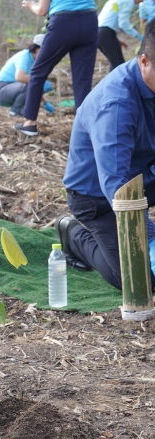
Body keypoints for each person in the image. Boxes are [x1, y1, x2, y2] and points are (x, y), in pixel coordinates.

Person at [55, 21, 155, 290]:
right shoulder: (117, 105)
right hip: (97, 197)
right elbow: (117, 187)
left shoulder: (151, 83)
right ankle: (73, 234)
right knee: (137, 278)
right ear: (144, 61)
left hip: (141, 177)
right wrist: (146, 238)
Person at [14, 0, 98, 136]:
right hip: (89, 19)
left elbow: (42, 10)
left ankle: (30, 123)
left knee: (37, 73)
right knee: (82, 80)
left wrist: (31, 5)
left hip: (63, 21)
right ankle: (83, 130)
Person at [0, 35, 55, 117]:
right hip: (1, 91)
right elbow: (20, 77)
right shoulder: (24, 56)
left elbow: (33, 84)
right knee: (34, 83)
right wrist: (41, 81)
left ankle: (21, 110)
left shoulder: (35, 61)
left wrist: (45, 102)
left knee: (36, 84)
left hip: (12, 90)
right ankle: (15, 111)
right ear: (36, 48)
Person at [97, 0, 144, 70]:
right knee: (119, 66)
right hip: (105, 33)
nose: (142, 1)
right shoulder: (128, 1)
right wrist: (140, 37)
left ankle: (110, 80)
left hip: (98, 33)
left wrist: (116, 40)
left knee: (115, 64)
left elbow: (105, 23)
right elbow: (123, 23)